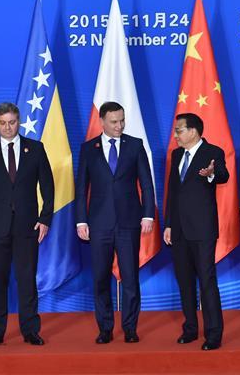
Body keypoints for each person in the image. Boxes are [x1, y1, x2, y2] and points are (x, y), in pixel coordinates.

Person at [0, 102, 54, 347]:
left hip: (28, 227)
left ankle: (30, 330)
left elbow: (48, 188)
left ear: (19, 121)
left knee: (27, 279)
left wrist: (44, 218)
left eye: (12, 122)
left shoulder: (35, 149)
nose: (8, 127)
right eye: (3, 123)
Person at [75, 101, 155, 345]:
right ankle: (106, 328)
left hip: (129, 222)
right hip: (99, 224)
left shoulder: (135, 145)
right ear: (102, 122)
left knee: (130, 278)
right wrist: (81, 221)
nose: (119, 125)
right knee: (100, 278)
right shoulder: (89, 149)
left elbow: (146, 183)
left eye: (122, 120)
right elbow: (81, 189)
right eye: (113, 121)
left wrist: (148, 215)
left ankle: (130, 328)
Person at [163, 113, 229, 351]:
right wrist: (169, 224)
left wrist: (211, 173)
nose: (176, 135)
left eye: (179, 130)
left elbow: (223, 175)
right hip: (179, 230)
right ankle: (190, 328)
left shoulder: (213, 152)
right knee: (184, 282)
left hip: (202, 230)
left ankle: (214, 334)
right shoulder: (176, 154)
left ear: (193, 131)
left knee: (207, 281)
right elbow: (172, 192)